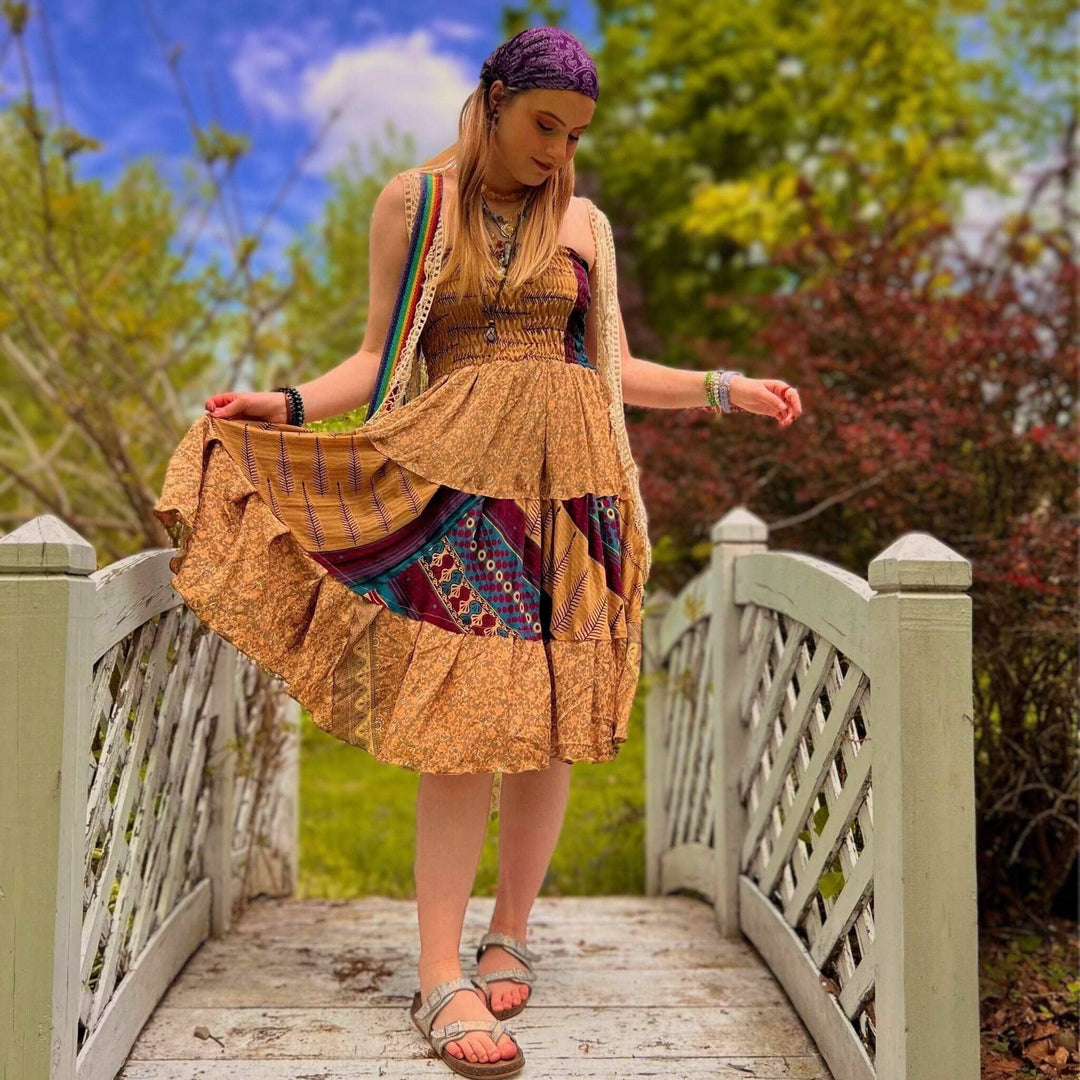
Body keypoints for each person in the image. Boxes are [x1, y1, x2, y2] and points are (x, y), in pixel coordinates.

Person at [153, 25, 802, 1079]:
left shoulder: (584, 221)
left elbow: (613, 366)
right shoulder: (419, 204)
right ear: (493, 98)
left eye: (576, 133)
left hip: (576, 489)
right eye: (545, 123)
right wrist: (280, 404)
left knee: (547, 723)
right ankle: (439, 970)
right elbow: (377, 355)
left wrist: (724, 389)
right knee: (464, 723)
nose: (558, 149)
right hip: (459, 481)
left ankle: (512, 930)